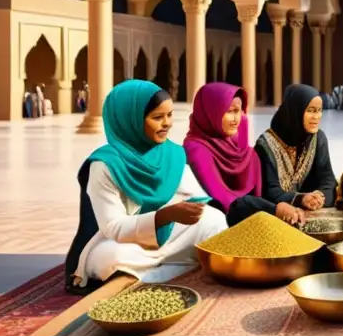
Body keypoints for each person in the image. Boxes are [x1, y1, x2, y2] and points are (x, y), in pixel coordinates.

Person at [64, 80, 227, 294]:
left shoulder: (172, 153)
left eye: (169, 115)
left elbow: (195, 198)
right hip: (125, 242)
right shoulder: (105, 165)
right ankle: (177, 271)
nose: (167, 124)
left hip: (166, 236)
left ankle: (149, 276)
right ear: (129, 120)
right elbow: (113, 228)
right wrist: (163, 216)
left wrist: (194, 209)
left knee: (214, 220)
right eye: (157, 117)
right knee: (110, 257)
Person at [183, 82, 294, 225]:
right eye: (229, 111)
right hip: (217, 219)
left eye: (239, 111)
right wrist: (270, 209)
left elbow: (246, 153)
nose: (237, 119)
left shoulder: (233, 139)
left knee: (252, 155)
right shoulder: (196, 149)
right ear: (210, 112)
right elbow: (220, 196)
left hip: (248, 210)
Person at [254, 84, 337, 223]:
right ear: (295, 111)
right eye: (311, 111)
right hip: (278, 215)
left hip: (311, 213)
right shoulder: (266, 144)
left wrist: (319, 197)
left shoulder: (317, 138)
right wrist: (301, 199)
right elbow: (270, 191)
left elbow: (328, 180)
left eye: (319, 111)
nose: (316, 117)